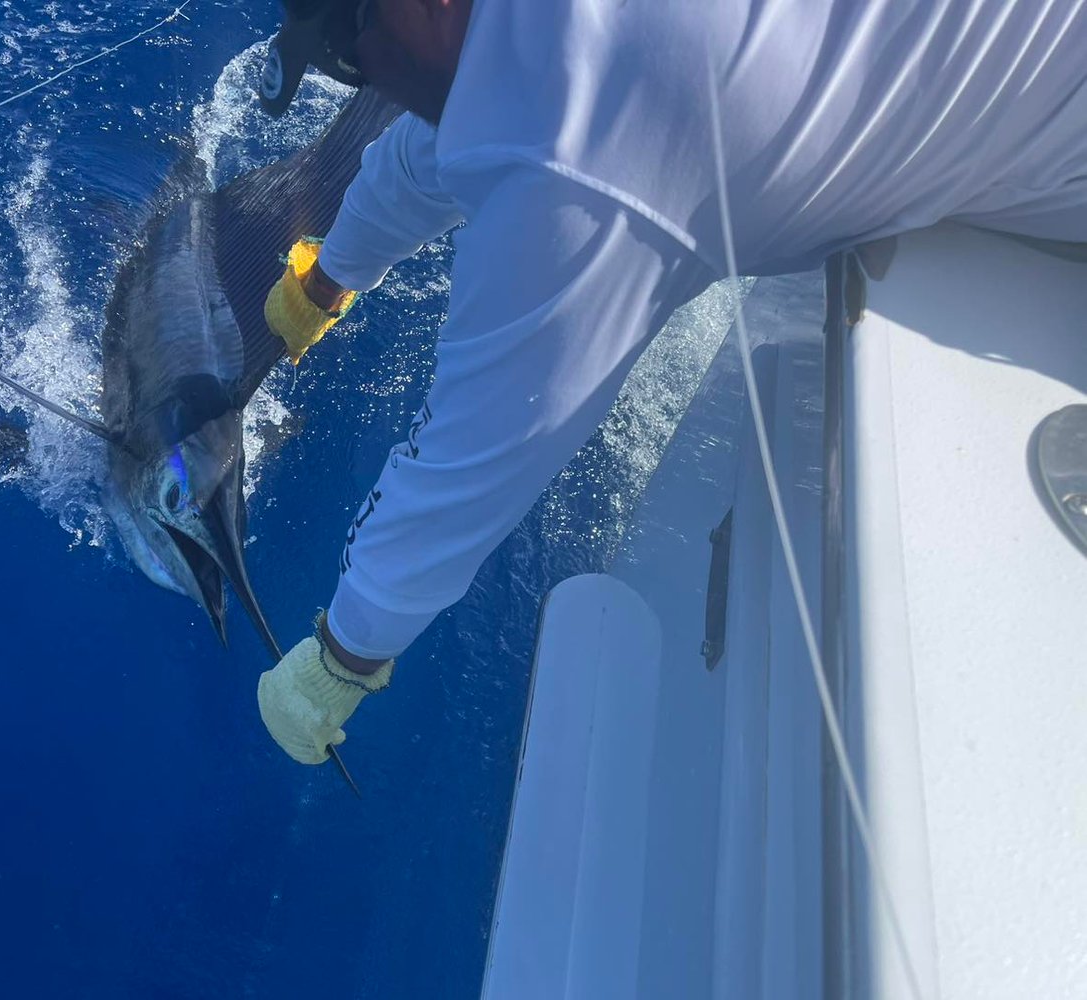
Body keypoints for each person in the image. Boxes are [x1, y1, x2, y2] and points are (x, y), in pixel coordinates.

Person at [253, 0, 1087, 766]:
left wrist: (340, 662)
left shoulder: (577, 161)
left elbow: (471, 465)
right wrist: (325, 280)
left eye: (345, 52)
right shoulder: (530, 37)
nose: (358, 79)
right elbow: (431, 150)